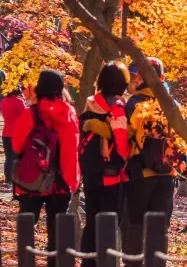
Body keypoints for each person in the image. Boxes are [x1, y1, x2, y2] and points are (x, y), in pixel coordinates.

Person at [9, 70, 79, 250]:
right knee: (57, 236)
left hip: (31, 181)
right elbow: (71, 150)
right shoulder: (69, 113)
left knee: (26, 232)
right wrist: (72, 181)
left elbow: (16, 146)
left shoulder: (31, 114)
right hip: (59, 182)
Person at [124, 57, 179, 257]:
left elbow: (126, 137)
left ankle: (133, 263)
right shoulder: (172, 105)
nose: (134, 80)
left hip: (141, 174)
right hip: (168, 173)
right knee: (160, 227)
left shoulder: (134, 103)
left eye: (137, 76)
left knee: (136, 224)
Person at [79, 63, 130, 267]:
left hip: (90, 170)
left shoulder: (90, 103)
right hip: (112, 172)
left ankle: (87, 262)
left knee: (92, 219)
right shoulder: (119, 106)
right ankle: (105, 262)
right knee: (109, 222)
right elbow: (121, 140)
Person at [2, 82, 30, 180]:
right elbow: (25, 114)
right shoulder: (19, 101)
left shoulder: (4, 101)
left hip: (5, 132)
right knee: (16, 157)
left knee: (8, 157)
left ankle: (8, 177)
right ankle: (15, 177)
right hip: (17, 133)